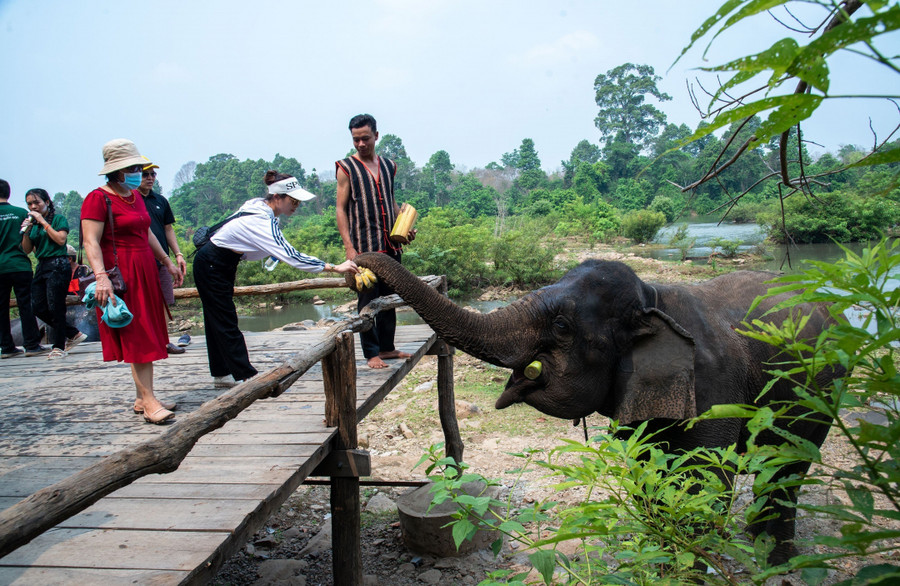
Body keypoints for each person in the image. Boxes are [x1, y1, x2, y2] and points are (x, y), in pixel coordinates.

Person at [194, 170, 358, 388]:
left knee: (216, 318)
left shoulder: (258, 206)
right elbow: (292, 256)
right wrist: (335, 267)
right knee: (225, 319)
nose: (296, 205)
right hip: (213, 263)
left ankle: (222, 374)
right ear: (278, 197)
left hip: (217, 262)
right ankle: (246, 378)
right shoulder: (262, 220)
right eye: (293, 200)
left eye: (298, 201)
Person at [81, 138, 184, 424]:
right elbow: (91, 242)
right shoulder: (98, 198)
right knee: (136, 335)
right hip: (121, 273)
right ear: (117, 170)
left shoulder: (134, 196)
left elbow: (147, 233)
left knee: (148, 332)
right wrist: (101, 277)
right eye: (134, 167)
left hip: (145, 270)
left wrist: (166, 261)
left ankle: (142, 397)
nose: (140, 172)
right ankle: (150, 401)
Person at [336, 113, 415, 369]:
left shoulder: (389, 166)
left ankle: (387, 347)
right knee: (368, 301)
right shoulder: (346, 168)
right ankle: (371, 353)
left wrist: (403, 229)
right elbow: (341, 209)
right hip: (364, 249)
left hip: (390, 245)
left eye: (365, 138)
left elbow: (390, 201)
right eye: (356, 139)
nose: (361, 144)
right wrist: (349, 248)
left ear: (376, 136)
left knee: (390, 298)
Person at [20, 188, 87, 359]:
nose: (33, 206)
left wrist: (43, 221)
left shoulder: (58, 219)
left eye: (37, 202)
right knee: (38, 306)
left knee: (55, 305)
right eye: (30, 203)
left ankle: (58, 346)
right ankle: (72, 333)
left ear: (47, 202)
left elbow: (60, 239)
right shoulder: (32, 225)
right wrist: (27, 232)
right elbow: (27, 249)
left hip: (58, 263)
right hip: (42, 265)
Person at [138, 158, 187, 354]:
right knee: (141, 301)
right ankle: (145, 342)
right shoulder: (131, 200)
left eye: (152, 174)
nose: (150, 178)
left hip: (162, 261)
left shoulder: (160, 201)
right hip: (141, 260)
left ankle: (164, 341)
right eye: (145, 174)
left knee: (163, 301)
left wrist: (178, 254)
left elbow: (168, 229)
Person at [0, 179, 47, 358]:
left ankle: (6, 347)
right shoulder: (21, 213)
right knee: (26, 304)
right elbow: (31, 239)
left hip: (0, 267)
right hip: (19, 265)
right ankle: (32, 344)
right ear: (8, 193)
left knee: (1, 307)